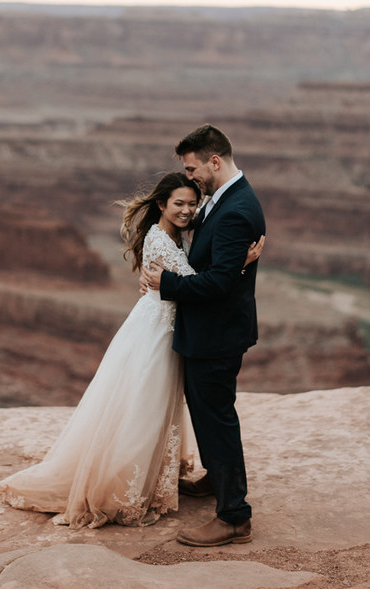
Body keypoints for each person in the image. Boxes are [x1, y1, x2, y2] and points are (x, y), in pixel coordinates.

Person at [0, 171, 262, 530]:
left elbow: (191, 277)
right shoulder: (162, 241)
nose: (187, 210)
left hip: (164, 327)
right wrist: (238, 265)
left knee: (151, 407)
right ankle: (121, 488)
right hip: (157, 336)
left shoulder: (174, 233)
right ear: (162, 205)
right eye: (178, 203)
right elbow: (198, 283)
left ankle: (150, 479)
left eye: (191, 203)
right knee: (143, 409)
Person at [142, 124, 266, 547]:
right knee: (210, 415)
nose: (190, 176)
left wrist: (166, 284)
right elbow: (220, 266)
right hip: (212, 331)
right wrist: (240, 266)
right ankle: (217, 478)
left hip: (216, 336)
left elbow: (216, 284)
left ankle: (234, 517)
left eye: (193, 168)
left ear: (215, 161)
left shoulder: (234, 208)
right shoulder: (225, 198)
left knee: (216, 420)